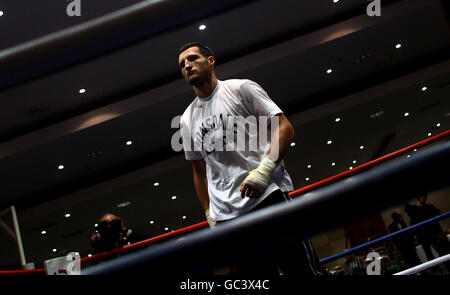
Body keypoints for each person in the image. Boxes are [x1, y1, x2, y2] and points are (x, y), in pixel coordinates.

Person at [178, 42, 325, 275]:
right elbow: (199, 170)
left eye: (193, 58)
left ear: (211, 61)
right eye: (182, 64)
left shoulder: (240, 89)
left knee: (304, 272)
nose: (187, 65)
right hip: (228, 218)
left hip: (267, 197)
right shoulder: (186, 119)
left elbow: (284, 127)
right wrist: (209, 212)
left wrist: (264, 170)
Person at [404, 196, 450, 271]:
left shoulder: (429, 206)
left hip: (437, 231)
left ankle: (442, 268)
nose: (424, 198)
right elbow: (414, 223)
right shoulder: (414, 210)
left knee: (446, 249)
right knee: (438, 252)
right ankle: (441, 268)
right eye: (422, 196)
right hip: (427, 235)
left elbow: (438, 212)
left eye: (425, 196)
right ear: (418, 198)